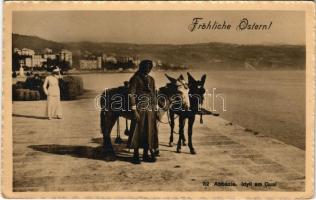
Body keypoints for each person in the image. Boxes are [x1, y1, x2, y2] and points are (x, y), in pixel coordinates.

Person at [129, 60, 159, 164]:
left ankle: (146, 154)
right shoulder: (135, 79)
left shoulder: (151, 79)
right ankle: (136, 155)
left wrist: (156, 107)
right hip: (139, 108)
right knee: (138, 130)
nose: (148, 69)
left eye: (150, 67)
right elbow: (131, 95)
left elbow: (154, 94)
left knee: (149, 131)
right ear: (141, 67)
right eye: (146, 67)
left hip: (150, 109)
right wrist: (134, 111)